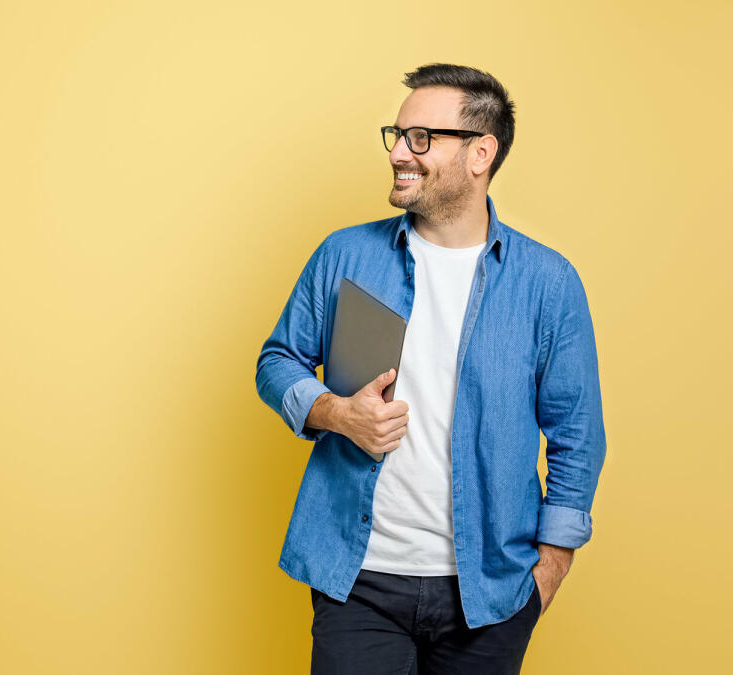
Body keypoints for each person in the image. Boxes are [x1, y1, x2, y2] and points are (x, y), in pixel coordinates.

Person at [254, 63, 606, 674]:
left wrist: (547, 573)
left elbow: (577, 438)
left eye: (422, 138)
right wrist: (334, 412)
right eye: (398, 134)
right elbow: (277, 360)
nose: (400, 154)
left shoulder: (549, 284)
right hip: (357, 579)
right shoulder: (346, 255)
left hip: (489, 593)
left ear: (480, 153)